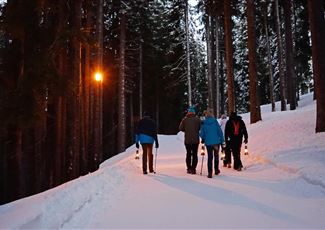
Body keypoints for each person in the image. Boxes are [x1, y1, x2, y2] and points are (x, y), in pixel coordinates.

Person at [200, 108, 225, 178]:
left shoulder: (204, 123)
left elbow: (201, 134)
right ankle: (216, 170)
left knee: (210, 157)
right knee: (216, 156)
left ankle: (210, 172)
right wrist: (222, 140)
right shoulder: (215, 122)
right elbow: (220, 132)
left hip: (208, 143)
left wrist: (203, 138)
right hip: (216, 142)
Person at [179, 106, 201, 174]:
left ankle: (189, 168)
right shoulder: (197, 120)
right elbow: (200, 128)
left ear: (188, 113)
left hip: (187, 140)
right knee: (194, 154)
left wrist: (186, 130)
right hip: (195, 140)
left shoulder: (184, 120)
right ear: (194, 113)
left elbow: (180, 128)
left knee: (188, 154)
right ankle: (193, 168)